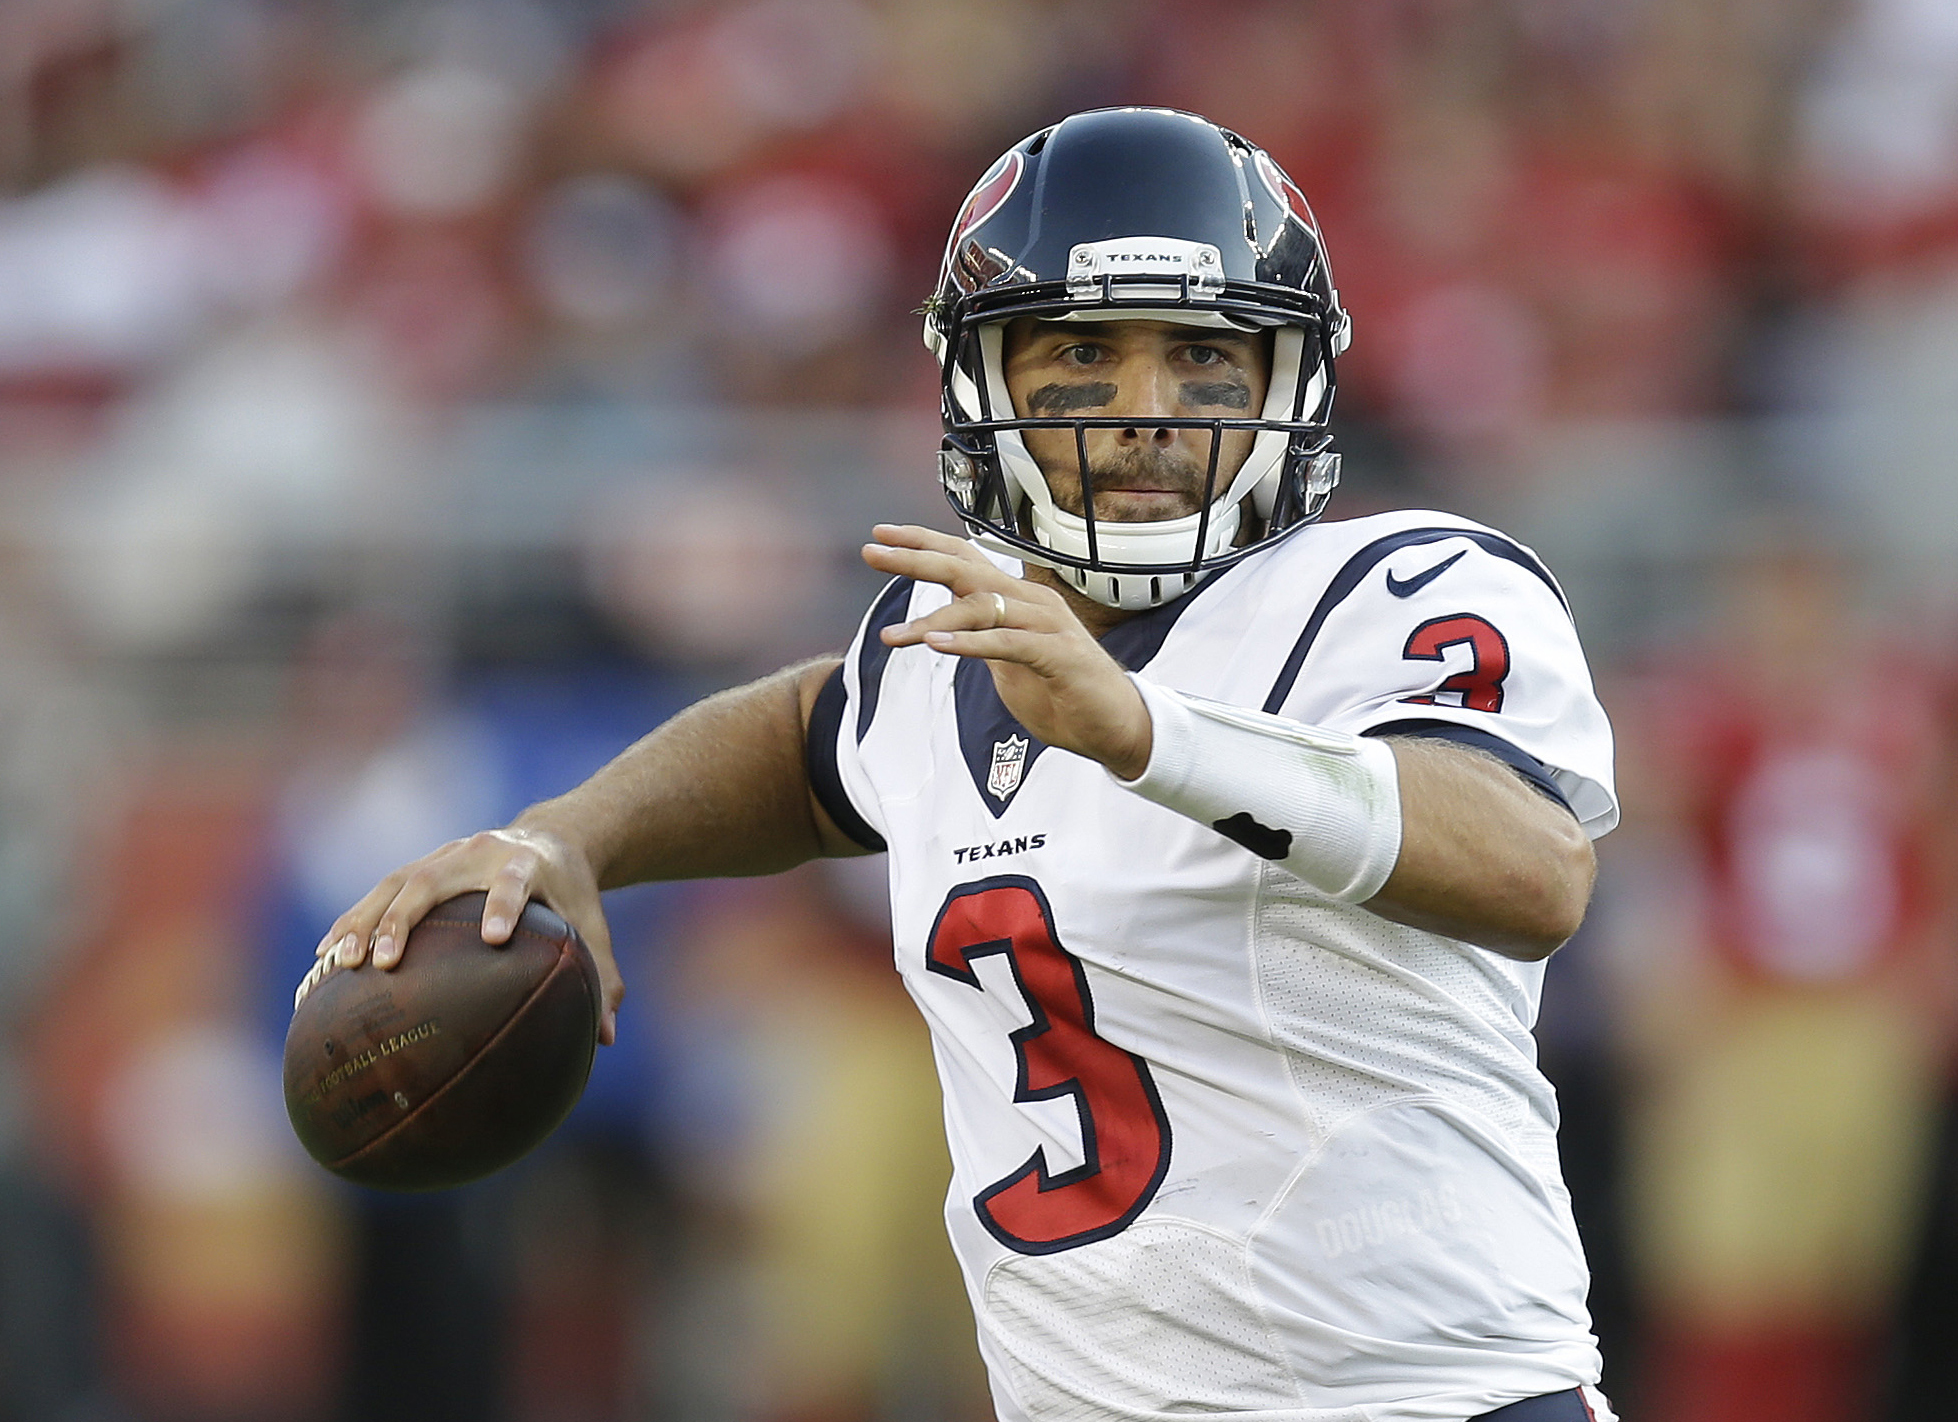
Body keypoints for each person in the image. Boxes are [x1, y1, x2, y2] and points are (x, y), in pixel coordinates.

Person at [310, 108, 1620, 1422]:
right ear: (983, 382)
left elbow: (1528, 867)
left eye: (1202, 358)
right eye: (1082, 357)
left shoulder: (1392, 589)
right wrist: (568, 835)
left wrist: (1147, 734)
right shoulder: (944, 643)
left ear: (1290, 383)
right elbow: (803, 738)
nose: (1145, 412)